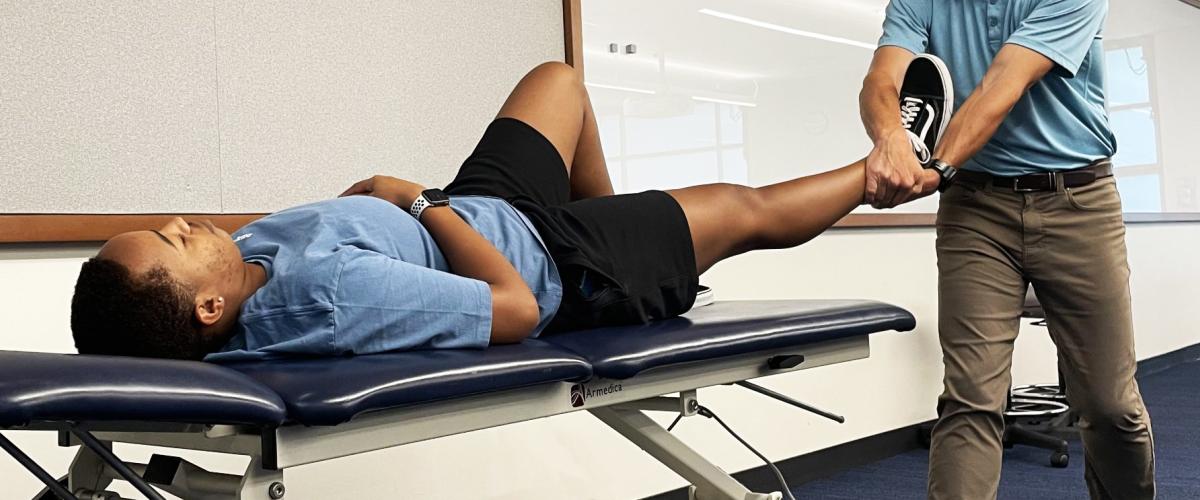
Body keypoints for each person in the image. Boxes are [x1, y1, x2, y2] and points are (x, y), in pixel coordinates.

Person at [70, 61, 936, 362]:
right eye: (175, 243)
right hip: (555, 268)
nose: (186, 222)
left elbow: (358, 223)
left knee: (560, 83)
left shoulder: (246, 263)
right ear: (209, 307)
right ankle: (890, 165)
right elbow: (517, 313)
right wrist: (417, 198)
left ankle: (657, 240)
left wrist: (417, 204)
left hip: (485, 213)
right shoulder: (325, 299)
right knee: (743, 208)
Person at [859, 0, 1154, 498]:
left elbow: (1004, 83)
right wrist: (891, 137)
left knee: (1110, 406)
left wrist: (934, 167)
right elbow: (882, 80)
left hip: (1078, 202)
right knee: (970, 400)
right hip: (975, 208)